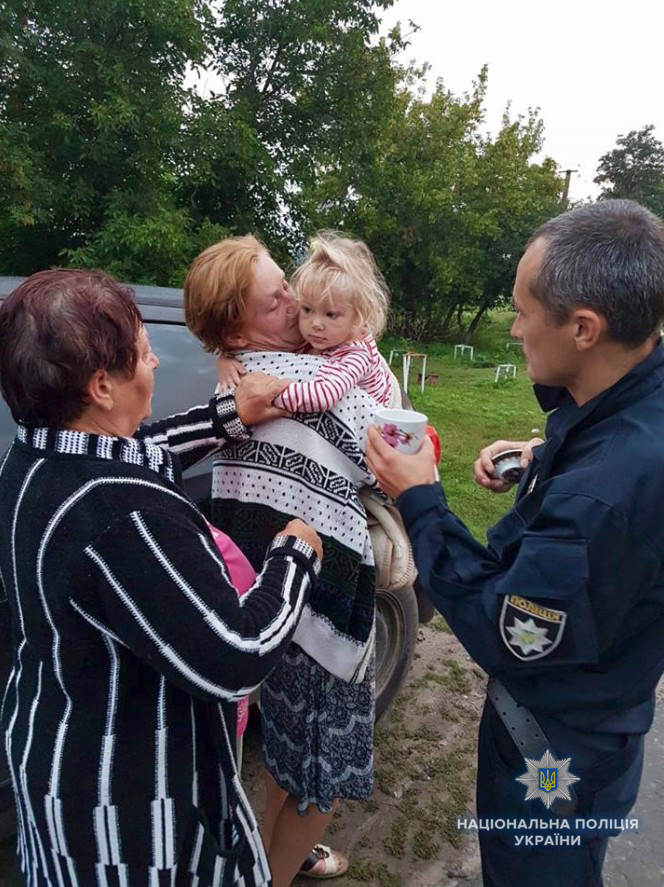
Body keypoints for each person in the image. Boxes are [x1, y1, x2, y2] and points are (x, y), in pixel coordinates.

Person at [365, 200, 664, 886]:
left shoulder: (598, 501)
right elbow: (621, 467)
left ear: (584, 328)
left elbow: (505, 629)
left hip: (553, 757)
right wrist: (544, 457)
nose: (514, 325)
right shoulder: (633, 403)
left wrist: (418, 496)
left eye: (524, 309)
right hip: (609, 725)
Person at [0, 269, 323, 886]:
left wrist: (228, 414)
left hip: (53, 753)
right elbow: (236, 654)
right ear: (101, 386)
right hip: (125, 816)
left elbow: (143, 447)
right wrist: (294, 555)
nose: (154, 360)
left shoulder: (34, 458)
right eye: (143, 354)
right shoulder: (123, 517)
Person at [185, 236, 387, 886]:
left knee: (280, 744)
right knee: (317, 766)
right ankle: (272, 874)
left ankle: (282, 857)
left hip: (254, 592)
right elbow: (394, 470)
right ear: (240, 324)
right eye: (280, 299)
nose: (299, 304)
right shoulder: (311, 385)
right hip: (321, 595)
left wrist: (223, 357)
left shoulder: (237, 381)